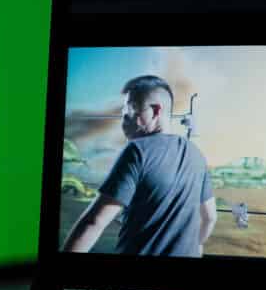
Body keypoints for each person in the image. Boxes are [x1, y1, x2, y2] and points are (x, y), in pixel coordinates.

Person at [62, 75, 217, 257]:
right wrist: (195, 248)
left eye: (131, 110)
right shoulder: (196, 154)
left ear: (156, 110)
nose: (124, 119)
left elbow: (94, 222)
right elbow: (210, 218)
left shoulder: (137, 151)